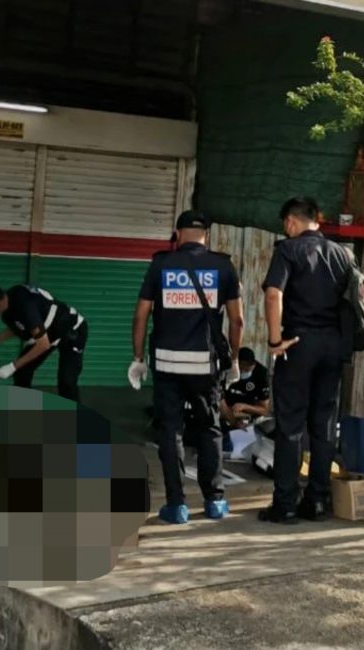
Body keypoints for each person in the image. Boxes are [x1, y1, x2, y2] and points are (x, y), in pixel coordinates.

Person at [129, 210, 244, 524]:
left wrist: (138, 358)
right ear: (207, 235)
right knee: (209, 429)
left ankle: (177, 505)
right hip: (205, 367)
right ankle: (215, 501)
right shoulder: (223, 266)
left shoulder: (160, 265)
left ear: (177, 234)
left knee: (170, 431)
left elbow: (140, 315)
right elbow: (237, 320)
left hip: (167, 365)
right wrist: (234, 359)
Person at [259, 197, 352, 524]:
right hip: (334, 345)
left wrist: (275, 341)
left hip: (298, 344)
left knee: (291, 425)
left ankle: (285, 504)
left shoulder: (288, 250)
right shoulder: (343, 254)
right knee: (324, 425)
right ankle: (317, 502)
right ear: (318, 219)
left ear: (290, 222)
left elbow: (274, 294)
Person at [0, 284, 88, 403]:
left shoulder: (26, 308)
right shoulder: (7, 310)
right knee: (22, 372)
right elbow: (13, 330)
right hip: (47, 333)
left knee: (67, 381)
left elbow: (43, 345)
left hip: (71, 329)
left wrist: (13, 366)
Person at [220, 347, 271, 453]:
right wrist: (232, 419)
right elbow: (219, 401)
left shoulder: (261, 373)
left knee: (244, 446)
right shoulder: (226, 370)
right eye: (242, 369)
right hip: (226, 414)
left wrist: (244, 407)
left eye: (248, 370)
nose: (244, 372)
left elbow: (264, 410)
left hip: (248, 420)